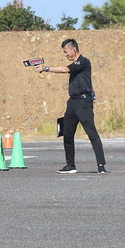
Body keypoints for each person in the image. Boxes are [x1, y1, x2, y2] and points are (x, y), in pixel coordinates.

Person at [36, 39, 107, 174]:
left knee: (92, 133)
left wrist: (46, 68)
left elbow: (65, 69)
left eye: (66, 51)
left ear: (73, 49)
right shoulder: (74, 64)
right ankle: (70, 165)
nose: (65, 54)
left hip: (84, 103)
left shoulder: (83, 61)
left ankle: (101, 165)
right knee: (67, 134)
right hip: (72, 103)